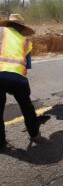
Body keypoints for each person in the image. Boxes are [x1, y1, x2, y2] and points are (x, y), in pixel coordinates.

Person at [0, 14, 40, 149]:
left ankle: (1, 142)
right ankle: (34, 134)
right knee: (26, 106)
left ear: (7, 25)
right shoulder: (26, 42)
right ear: (22, 28)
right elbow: (26, 65)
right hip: (17, 78)